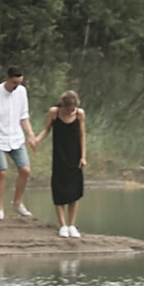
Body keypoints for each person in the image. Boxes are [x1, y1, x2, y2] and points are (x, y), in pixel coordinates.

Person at [0, 63, 34, 223]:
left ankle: (17, 203)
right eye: (14, 83)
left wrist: (30, 134)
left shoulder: (21, 92)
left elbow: (24, 115)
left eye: (19, 83)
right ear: (7, 79)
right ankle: (0, 208)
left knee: (25, 169)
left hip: (15, 136)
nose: (17, 86)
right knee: (2, 171)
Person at [48, 87, 88, 238]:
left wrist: (83, 156)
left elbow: (82, 135)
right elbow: (47, 129)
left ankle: (72, 225)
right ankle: (62, 225)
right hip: (59, 155)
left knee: (74, 191)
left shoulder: (80, 114)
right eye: (68, 109)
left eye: (73, 109)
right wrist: (36, 139)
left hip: (74, 156)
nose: (71, 111)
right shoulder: (54, 112)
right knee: (59, 190)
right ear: (62, 106)